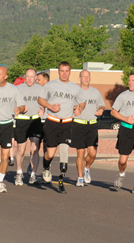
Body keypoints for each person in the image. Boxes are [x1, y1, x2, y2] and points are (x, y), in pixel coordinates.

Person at [38, 61, 85, 193]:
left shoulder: (75, 88)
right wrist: (50, 106)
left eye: (67, 71)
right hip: (52, 122)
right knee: (50, 153)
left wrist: (79, 109)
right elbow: (40, 99)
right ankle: (46, 168)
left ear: (70, 72)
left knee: (64, 150)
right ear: (58, 72)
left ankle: (61, 178)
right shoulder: (50, 85)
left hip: (67, 123)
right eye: (62, 71)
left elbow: (82, 102)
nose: (64, 73)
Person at [73, 70, 105, 187]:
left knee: (92, 153)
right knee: (80, 153)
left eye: (88, 76)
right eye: (84, 76)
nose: (86, 78)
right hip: (79, 124)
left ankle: (87, 168)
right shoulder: (75, 91)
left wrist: (101, 109)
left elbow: (101, 104)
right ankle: (80, 177)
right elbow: (69, 105)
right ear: (80, 78)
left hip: (92, 124)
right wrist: (74, 108)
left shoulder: (95, 92)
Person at [14, 69, 44, 185]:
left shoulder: (40, 89)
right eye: (28, 77)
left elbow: (43, 103)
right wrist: (17, 110)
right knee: (21, 150)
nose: (30, 79)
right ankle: (19, 173)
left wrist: (42, 110)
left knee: (34, 149)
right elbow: (13, 103)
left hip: (35, 120)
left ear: (36, 77)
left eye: (32, 77)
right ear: (25, 77)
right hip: (22, 121)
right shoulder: (18, 88)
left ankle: (33, 174)